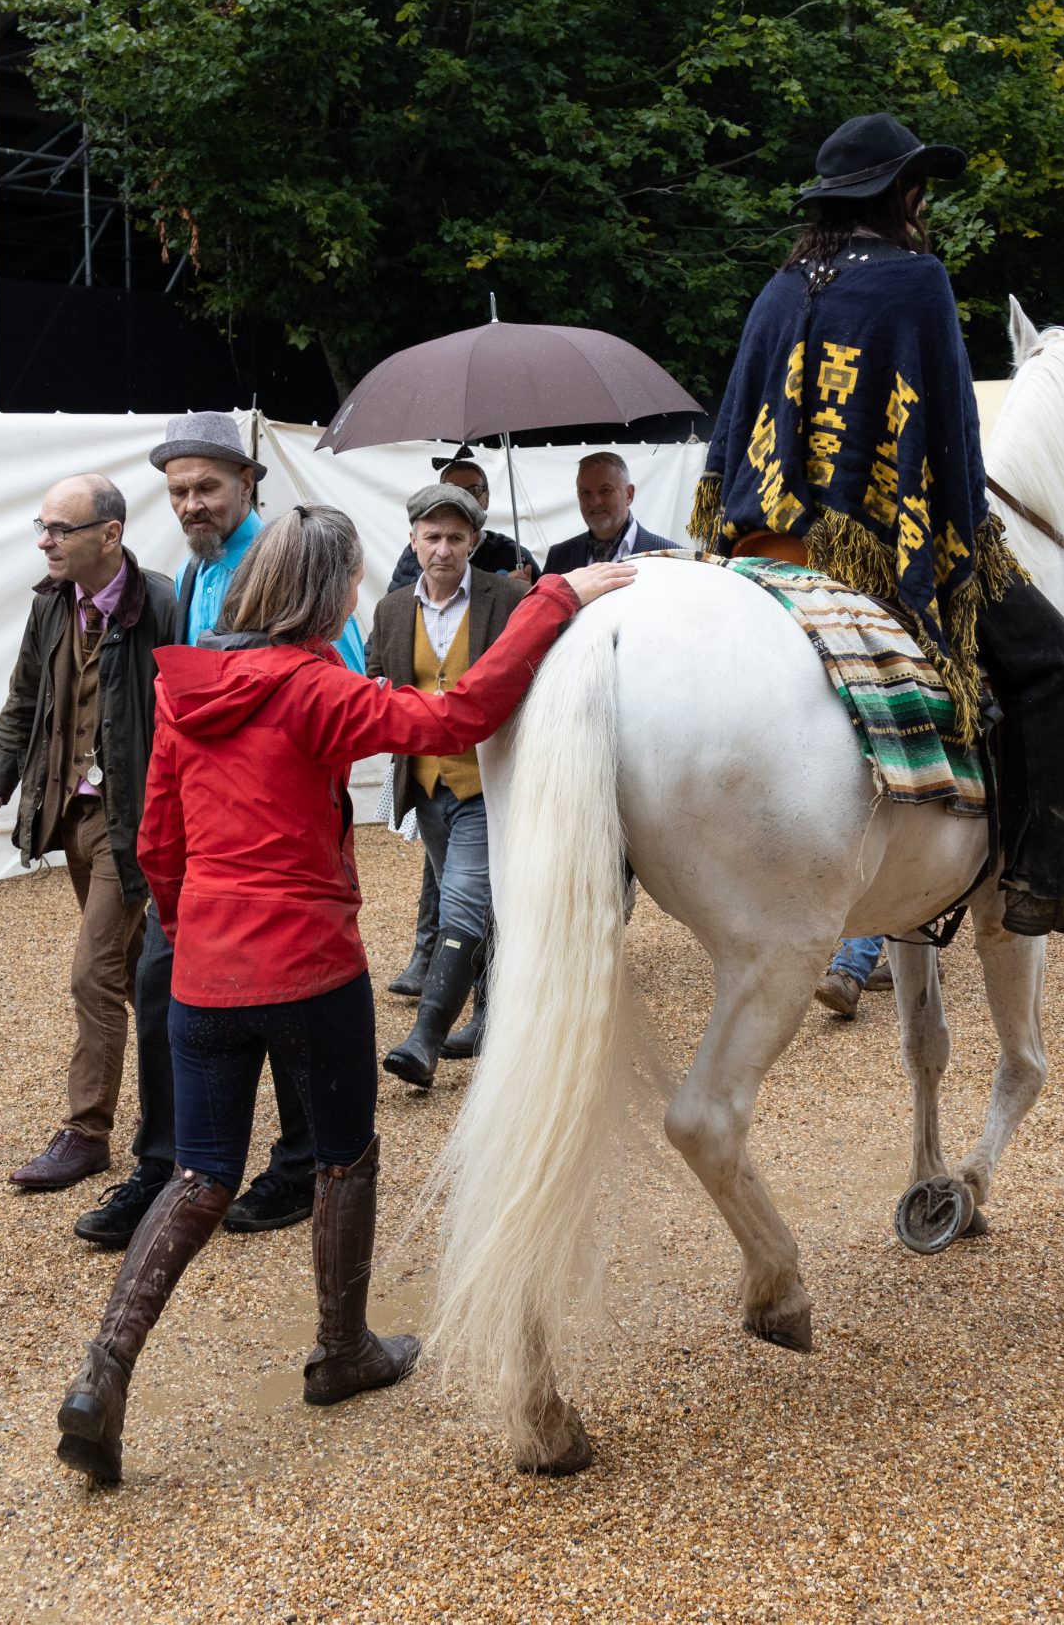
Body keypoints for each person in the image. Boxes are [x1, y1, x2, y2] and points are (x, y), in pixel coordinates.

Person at [49, 505, 633, 1486]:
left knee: (200, 1175)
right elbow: (455, 719)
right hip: (310, 966)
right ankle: (341, 1348)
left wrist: (198, 936)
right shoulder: (316, 690)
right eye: (353, 581)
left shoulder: (185, 689)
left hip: (205, 975)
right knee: (344, 1152)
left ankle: (102, 1371)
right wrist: (552, 598)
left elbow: (157, 843)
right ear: (327, 594)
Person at [690, 112, 1064, 938]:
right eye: (920, 188)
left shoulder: (779, 289)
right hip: (876, 556)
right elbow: (950, 435)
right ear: (902, 194)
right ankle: (1048, 879)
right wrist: (962, 540)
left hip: (762, 547)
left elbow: (737, 427)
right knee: (1056, 664)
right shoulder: (917, 281)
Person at [159, 410, 368, 1236]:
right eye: (178, 490)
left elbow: (343, 687)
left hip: (275, 841)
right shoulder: (193, 571)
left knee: (287, 1005)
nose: (191, 504)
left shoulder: (289, 556)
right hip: (215, 847)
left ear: (248, 482)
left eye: (206, 486)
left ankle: (291, 1163)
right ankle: (193, 1165)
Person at [0, 474, 185, 1242]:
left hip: (134, 819)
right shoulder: (49, 605)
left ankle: (87, 1130)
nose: (45, 541)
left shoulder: (164, 604)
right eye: (43, 526)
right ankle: (188, 1087)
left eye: (60, 528)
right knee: (134, 968)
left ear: (110, 534)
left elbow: (188, 713)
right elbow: (23, 702)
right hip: (71, 813)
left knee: (93, 972)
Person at [368, 483, 534, 1089]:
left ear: (475, 542)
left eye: (456, 538)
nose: (443, 549)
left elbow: (537, 669)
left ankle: (425, 1039)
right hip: (425, 783)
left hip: (487, 780)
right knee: (478, 903)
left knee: (461, 899)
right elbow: (376, 673)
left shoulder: (507, 598)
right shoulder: (391, 610)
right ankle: (490, 1016)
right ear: (413, 540)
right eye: (432, 537)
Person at [389, 452, 535, 588]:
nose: (465, 498)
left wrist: (526, 595)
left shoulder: (513, 554)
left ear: (487, 499)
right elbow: (397, 602)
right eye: (453, 490)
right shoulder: (416, 552)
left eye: (474, 490)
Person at [543, 451, 681, 575]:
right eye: (586, 492)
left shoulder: (671, 558)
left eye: (605, 491)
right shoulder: (558, 558)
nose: (595, 502)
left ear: (629, 494)